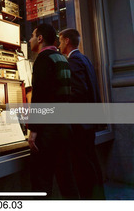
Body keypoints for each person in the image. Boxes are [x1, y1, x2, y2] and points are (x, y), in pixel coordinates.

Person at [28, 23, 79, 199]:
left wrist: (33, 130)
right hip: (64, 128)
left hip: (48, 131)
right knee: (67, 179)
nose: (30, 39)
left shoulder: (43, 59)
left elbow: (39, 96)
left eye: (33, 35)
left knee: (42, 182)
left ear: (40, 38)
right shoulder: (62, 58)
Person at [58, 28, 106, 199]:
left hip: (80, 124)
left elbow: (78, 91)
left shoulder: (74, 61)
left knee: (83, 166)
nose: (59, 44)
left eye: (60, 40)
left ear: (67, 41)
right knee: (91, 161)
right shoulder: (84, 59)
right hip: (89, 122)